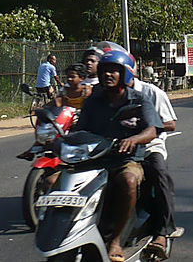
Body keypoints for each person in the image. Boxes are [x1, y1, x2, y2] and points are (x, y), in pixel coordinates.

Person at [76, 49, 162, 262]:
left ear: (125, 74)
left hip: (126, 160)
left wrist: (134, 139)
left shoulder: (139, 100)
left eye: (114, 70)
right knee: (56, 180)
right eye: (105, 70)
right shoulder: (93, 101)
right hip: (94, 161)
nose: (108, 75)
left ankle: (115, 240)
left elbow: (152, 130)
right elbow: (79, 131)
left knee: (129, 180)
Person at [132, 67, 178, 259]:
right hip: (116, 148)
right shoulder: (102, 95)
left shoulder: (151, 93)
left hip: (150, 146)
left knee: (159, 176)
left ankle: (162, 232)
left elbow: (170, 123)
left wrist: (144, 128)